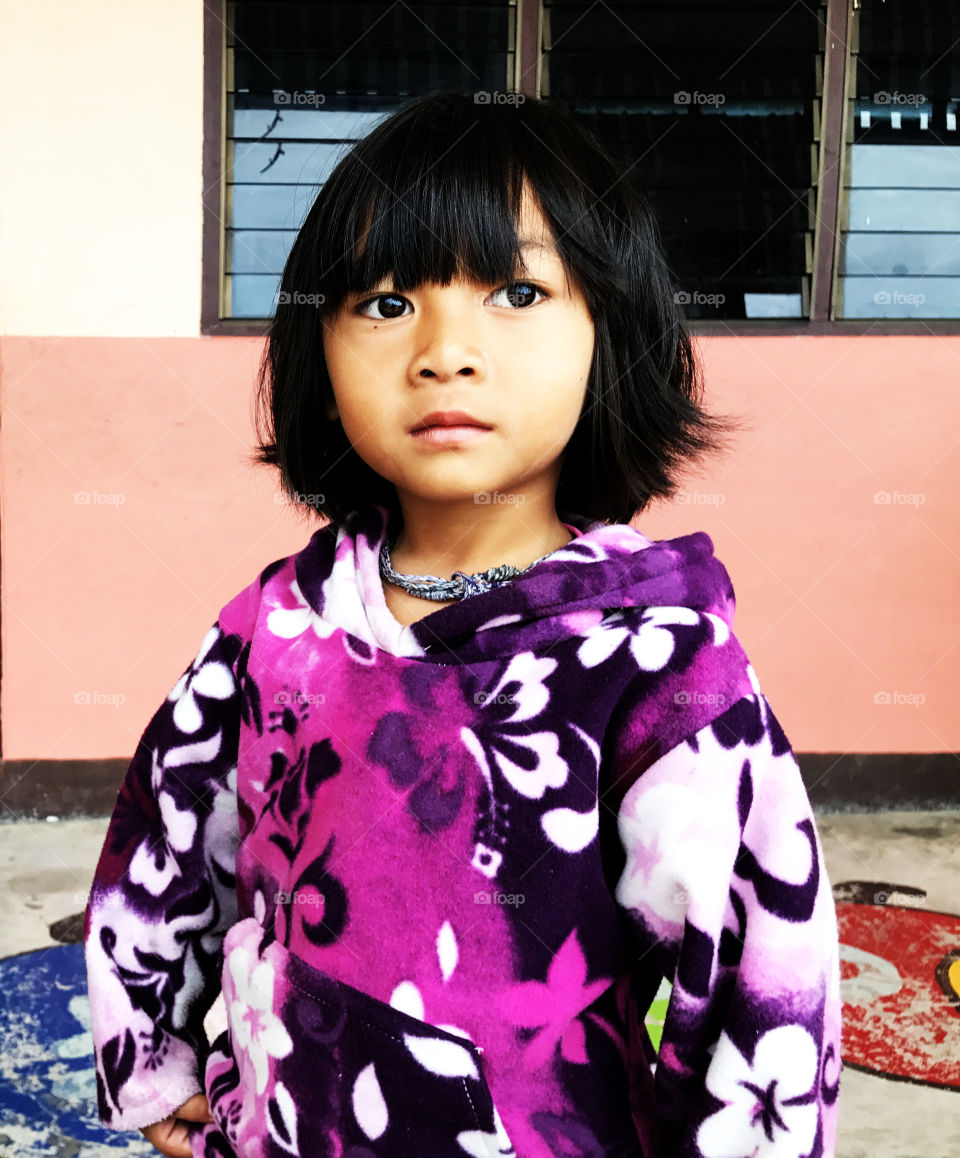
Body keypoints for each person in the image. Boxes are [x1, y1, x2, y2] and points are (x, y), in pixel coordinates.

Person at [83, 90, 842, 1158]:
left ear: (610, 334)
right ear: (319, 348)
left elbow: (767, 975)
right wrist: (147, 1053)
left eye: (517, 292)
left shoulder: (652, 656)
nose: (445, 350)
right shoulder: (275, 625)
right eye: (387, 304)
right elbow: (161, 843)